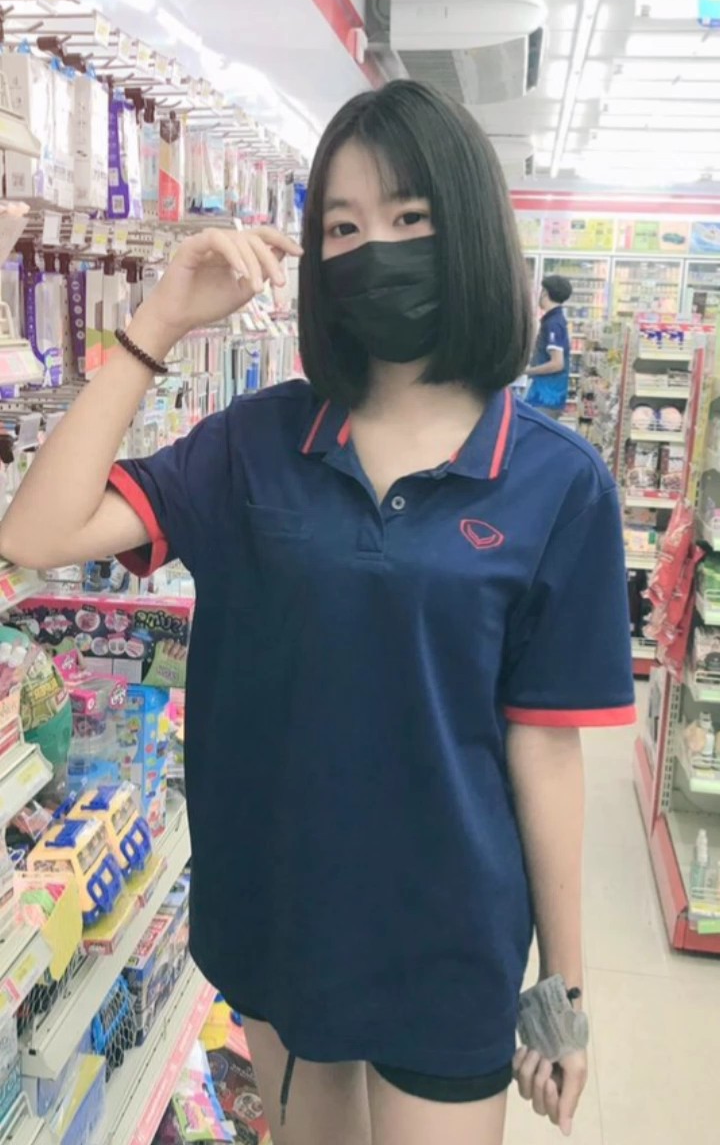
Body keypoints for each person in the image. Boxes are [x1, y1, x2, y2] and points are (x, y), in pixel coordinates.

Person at [0, 81, 634, 1145]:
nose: (374, 248)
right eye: (343, 227)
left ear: (470, 230)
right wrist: (158, 320)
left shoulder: (558, 482)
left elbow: (544, 748)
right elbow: (36, 531)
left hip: (452, 935)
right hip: (283, 916)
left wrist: (562, 988)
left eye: (409, 217)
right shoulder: (255, 444)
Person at [525, 274, 573, 419]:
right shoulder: (554, 320)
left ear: (545, 292)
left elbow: (557, 364)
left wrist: (527, 371)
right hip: (546, 395)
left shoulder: (553, 323)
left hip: (547, 398)